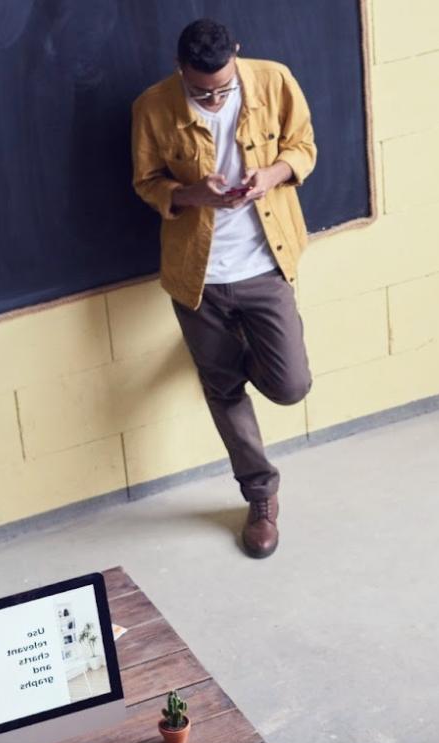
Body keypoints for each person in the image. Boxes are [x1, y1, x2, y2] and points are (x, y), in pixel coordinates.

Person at [131, 18, 317, 559]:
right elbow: (146, 183)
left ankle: (229, 358)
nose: (213, 98)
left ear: (236, 55)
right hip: (198, 276)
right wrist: (192, 194)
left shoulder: (274, 80)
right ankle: (260, 497)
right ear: (179, 69)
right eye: (199, 90)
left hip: (265, 262)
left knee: (290, 385)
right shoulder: (152, 106)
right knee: (223, 389)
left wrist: (273, 174)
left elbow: (304, 145)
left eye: (222, 87)